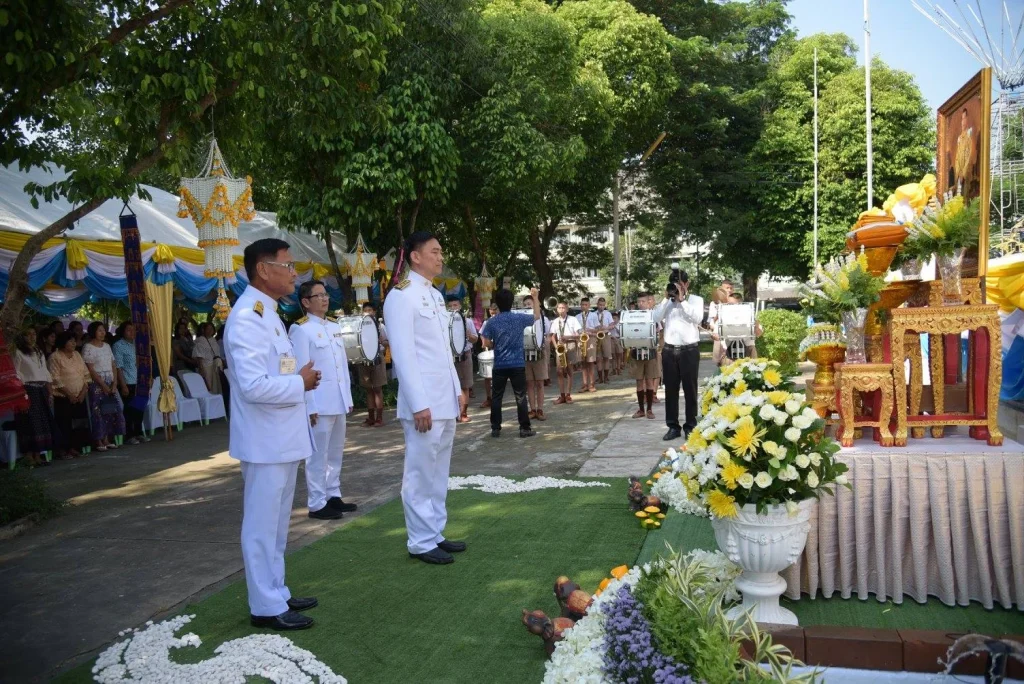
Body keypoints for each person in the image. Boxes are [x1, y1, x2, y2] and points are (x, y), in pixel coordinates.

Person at [224, 238, 322, 631]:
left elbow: (274, 372)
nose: (294, 273)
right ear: (263, 269)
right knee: (262, 527)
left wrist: (298, 382)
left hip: (281, 437)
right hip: (264, 441)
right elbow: (252, 386)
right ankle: (265, 605)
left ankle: (276, 590)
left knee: (278, 525)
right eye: (288, 265)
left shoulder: (268, 313)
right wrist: (300, 383)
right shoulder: (247, 317)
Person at [383, 231, 466, 566]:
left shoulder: (433, 294)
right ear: (415, 257)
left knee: (438, 471)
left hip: (443, 397)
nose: (440, 257)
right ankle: (419, 540)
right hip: (424, 402)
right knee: (419, 472)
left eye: (441, 251)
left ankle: (434, 532)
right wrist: (419, 403)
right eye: (434, 251)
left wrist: (457, 389)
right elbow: (403, 355)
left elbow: (443, 351)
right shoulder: (401, 296)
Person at [289, 279, 357, 521]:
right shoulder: (301, 329)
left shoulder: (334, 326)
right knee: (317, 455)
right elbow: (301, 369)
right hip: (318, 400)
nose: (325, 298)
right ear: (306, 302)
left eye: (325, 294)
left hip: (337, 399)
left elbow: (341, 367)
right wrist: (309, 405)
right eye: (318, 295)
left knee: (336, 451)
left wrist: (347, 396)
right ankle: (317, 502)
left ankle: (333, 494)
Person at [479, 288, 540, 438]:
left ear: (497, 304)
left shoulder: (492, 321)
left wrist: (495, 344)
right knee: (520, 396)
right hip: (517, 363)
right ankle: (524, 428)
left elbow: (485, 342)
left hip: (500, 364)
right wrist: (535, 297)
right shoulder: (519, 318)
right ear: (512, 302)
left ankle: (495, 428)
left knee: (497, 396)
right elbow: (537, 316)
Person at [653, 272, 704, 441]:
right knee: (671, 390)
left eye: (680, 283)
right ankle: (673, 427)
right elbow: (656, 317)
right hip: (669, 350)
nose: (677, 287)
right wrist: (666, 299)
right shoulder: (667, 302)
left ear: (686, 284)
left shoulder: (695, 300)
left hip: (689, 350)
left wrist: (682, 301)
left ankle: (691, 426)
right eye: (674, 283)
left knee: (690, 390)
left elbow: (698, 318)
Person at [12, 329, 57, 466]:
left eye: (34, 334)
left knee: (42, 422)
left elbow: (45, 372)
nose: (32, 336)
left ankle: (38, 455)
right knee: (29, 422)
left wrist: (50, 392)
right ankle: (29, 456)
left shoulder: (39, 351)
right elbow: (16, 373)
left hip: (41, 389)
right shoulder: (18, 352)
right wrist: (22, 394)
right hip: (28, 389)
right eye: (28, 334)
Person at [82, 322, 125, 451]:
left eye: (103, 330)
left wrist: (115, 382)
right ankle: (98, 439)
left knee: (111, 409)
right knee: (97, 411)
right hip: (97, 382)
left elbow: (113, 364)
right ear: (93, 332)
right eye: (99, 330)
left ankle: (107, 438)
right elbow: (90, 369)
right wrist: (102, 384)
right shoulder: (88, 347)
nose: (102, 333)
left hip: (110, 380)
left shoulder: (107, 346)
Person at [48, 332, 91, 459]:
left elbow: (86, 374)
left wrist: (83, 392)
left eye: (74, 341)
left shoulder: (77, 354)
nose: (73, 343)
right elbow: (55, 378)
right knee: (64, 423)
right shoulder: (55, 357)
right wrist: (69, 394)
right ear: (63, 342)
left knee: (79, 423)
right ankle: (63, 450)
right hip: (63, 397)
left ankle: (74, 447)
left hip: (80, 396)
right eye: (70, 341)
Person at [112, 322, 147, 445]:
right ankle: (129, 435)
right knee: (129, 410)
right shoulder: (118, 345)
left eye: (133, 330)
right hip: (128, 381)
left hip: (139, 381)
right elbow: (118, 367)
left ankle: (139, 432)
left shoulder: (137, 344)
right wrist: (123, 385)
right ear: (123, 331)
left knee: (139, 409)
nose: (132, 332)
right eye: (129, 330)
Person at [627, 292, 660, 420]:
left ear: (648, 302)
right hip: (637, 352)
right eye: (639, 302)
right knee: (639, 381)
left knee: (649, 381)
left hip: (650, 351)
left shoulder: (653, 315)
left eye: (643, 302)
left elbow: (657, 330)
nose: (641, 304)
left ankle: (649, 409)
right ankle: (641, 409)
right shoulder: (632, 316)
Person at [446, 295, 478, 423]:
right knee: (451, 386)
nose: (453, 308)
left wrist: (467, 334)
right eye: (450, 306)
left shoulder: (467, 321)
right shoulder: (444, 320)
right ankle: (453, 413)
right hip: (449, 357)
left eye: (455, 305)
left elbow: (475, 339)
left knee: (465, 385)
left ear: (460, 306)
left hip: (465, 355)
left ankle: (463, 413)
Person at [357, 301, 389, 427]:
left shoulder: (380, 326)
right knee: (368, 389)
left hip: (377, 357)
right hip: (364, 358)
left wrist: (380, 342)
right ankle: (370, 418)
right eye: (365, 310)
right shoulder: (360, 326)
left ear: (374, 312)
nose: (367, 313)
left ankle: (379, 418)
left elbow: (386, 342)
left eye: (370, 310)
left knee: (377, 388)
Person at [521, 293, 548, 421]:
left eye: (529, 304)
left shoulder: (543, 318)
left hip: (539, 352)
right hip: (526, 353)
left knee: (540, 383)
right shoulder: (521, 319)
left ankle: (540, 409)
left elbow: (547, 334)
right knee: (529, 384)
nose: (527, 306)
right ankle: (532, 409)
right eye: (525, 304)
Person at [550, 301, 582, 405]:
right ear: (557, 310)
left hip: (570, 344)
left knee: (569, 370)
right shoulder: (555, 321)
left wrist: (568, 337)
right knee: (559, 371)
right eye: (559, 308)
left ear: (567, 309)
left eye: (563, 308)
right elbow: (552, 336)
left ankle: (568, 394)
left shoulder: (573, 319)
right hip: (560, 345)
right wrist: (556, 347)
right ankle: (562, 395)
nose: (561, 310)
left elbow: (578, 335)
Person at [193, 321, 224, 394]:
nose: (210, 331)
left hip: (214, 366)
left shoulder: (213, 340)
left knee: (216, 386)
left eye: (211, 329)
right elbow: (199, 357)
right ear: (204, 330)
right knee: (208, 386)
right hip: (206, 366)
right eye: (208, 329)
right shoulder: (201, 340)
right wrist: (201, 369)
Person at [575, 297, 599, 392]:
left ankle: (592, 384)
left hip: (591, 338)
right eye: (582, 305)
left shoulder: (593, 315)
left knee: (591, 362)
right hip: (581, 339)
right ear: (580, 306)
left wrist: (590, 330)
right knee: (583, 363)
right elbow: (576, 330)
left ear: (589, 306)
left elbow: (598, 329)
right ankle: (585, 384)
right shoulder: (577, 317)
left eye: (586, 305)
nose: (584, 306)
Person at [478, 301, 499, 408]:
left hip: (500, 350)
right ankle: (489, 398)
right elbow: (481, 334)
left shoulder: (502, 321)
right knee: (487, 376)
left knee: (498, 375)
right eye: (491, 312)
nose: (493, 314)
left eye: (495, 312)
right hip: (490, 349)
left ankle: (497, 398)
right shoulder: (487, 322)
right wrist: (484, 342)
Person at [708, 280, 733, 367]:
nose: (729, 290)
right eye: (727, 288)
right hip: (719, 337)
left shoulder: (735, 302)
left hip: (732, 337)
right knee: (720, 363)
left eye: (731, 288)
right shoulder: (714, 303)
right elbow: (711, 323)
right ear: (721, 289)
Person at [593, 297, 615, 384]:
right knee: (598, 358)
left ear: (605, 305)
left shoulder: (608, 313)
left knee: (606, 357)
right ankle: (600, 378)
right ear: (597, 305)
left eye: (603, 305)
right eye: (600, 305)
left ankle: (606, 377)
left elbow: (612, 324)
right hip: (596, 336)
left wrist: (607, 327)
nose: (601, 306)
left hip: (606, 336)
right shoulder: (593, 314)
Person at [610, 311, 624, 375]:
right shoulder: (610, 324)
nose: (614, 320)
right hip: (611, 340)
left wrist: (615, 327)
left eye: (615, 318)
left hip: (618, 339)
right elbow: (608, 332)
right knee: (613, 356)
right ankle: (613, 369)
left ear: (618, 319)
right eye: (612, 318)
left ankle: (618, 368)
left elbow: (621, 333)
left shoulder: (620, 325)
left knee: (619, 355)